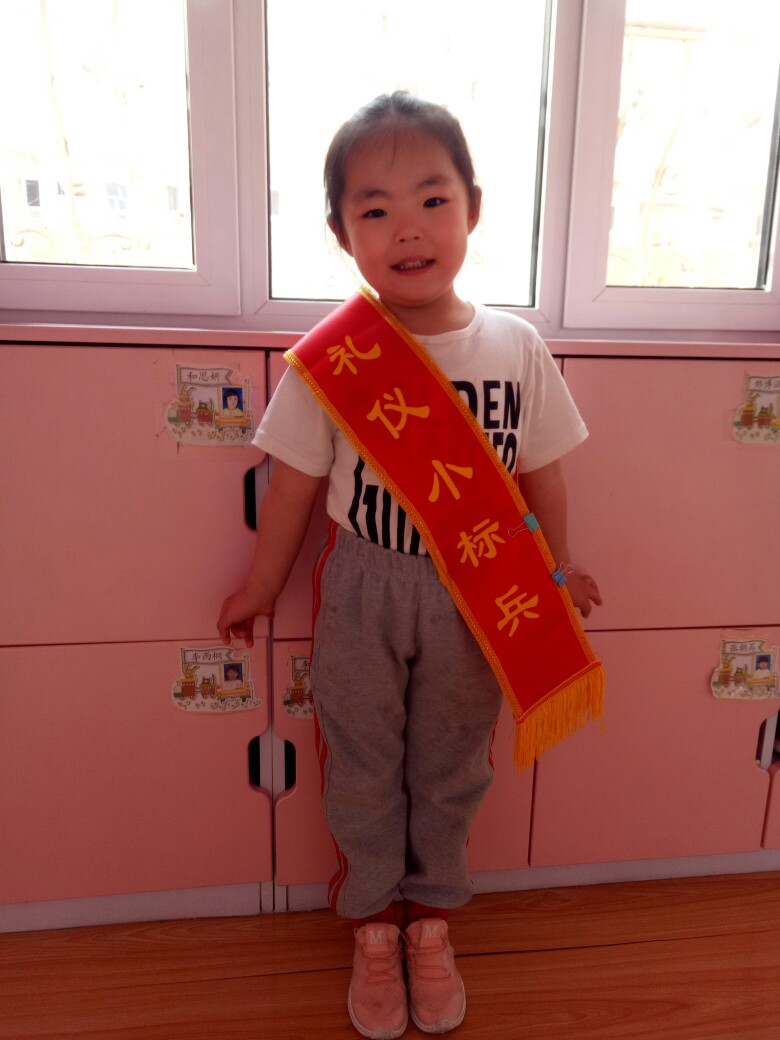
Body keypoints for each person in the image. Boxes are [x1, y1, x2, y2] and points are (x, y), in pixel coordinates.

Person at [218, 91, 602, 1039]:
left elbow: (542, 473)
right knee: (361, 763)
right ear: (342, 233)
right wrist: (262, 585)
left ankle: (430, 922)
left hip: (482, 592)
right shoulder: (334, 359)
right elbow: (294, 488)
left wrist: (561, 566)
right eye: (376, 209)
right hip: (364, 587)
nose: (409, 228)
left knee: (449, 764)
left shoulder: (515, 346)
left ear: (473, 208)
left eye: (433, 200)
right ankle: (373, 924)